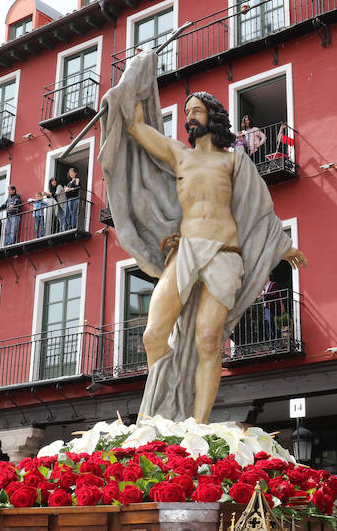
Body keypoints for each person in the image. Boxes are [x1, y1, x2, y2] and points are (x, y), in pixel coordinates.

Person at [107, 50, 306, 422]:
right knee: (153, 334)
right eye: (186, 114)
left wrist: (282, 245)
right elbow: (135, 126)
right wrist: (135, 72)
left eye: (195, 111)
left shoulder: (233, 160)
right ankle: (162, 405)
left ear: (212, 116)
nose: (189, 118)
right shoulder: (179, 155)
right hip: (185, 251)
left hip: (224, 253)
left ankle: (197, 425)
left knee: (208, 340)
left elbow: (258, 209)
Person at [260, 274, 285, 340]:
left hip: (272, 308)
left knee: (271, 322)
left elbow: (274, 294)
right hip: (266, 308)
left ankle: (275, 340)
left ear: (268, 277)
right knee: (267, 324)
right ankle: (271, 341)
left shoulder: (273, 284)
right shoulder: (263, 287)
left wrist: (265, 294)